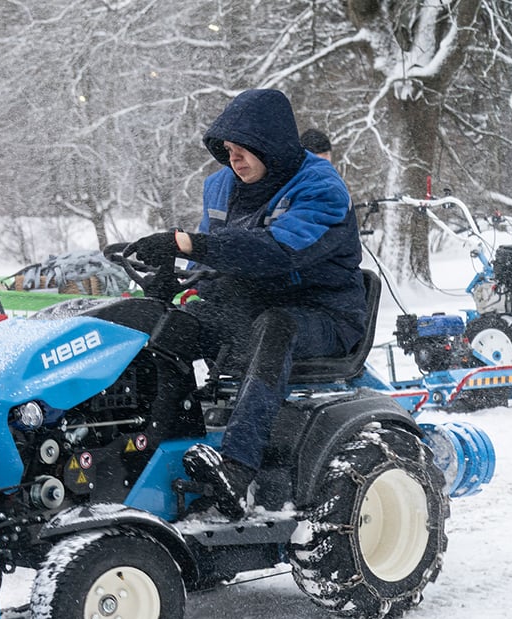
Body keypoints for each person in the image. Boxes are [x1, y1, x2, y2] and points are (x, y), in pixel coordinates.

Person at [123, 89, 364, 519]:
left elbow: (276, 253)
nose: (233, 160)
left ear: (271, 144)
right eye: (228, 151)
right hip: (250, 308)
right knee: (169, 328)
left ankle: (237, 466)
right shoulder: (219, 188)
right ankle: (147, 447)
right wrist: (174, 280)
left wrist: (186, 244)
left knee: (276, 326)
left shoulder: (322, 188)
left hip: (323, 315)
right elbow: (216, 262)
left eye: (243, 150)